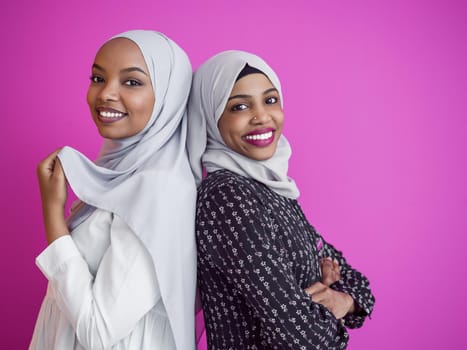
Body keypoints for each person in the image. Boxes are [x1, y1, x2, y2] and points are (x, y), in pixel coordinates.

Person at [187, 51, 375, 349]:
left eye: (270, 100)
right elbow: (302, 336)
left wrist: (345, 300)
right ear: (211, 117)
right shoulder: (227, 197)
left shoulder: (273, 188)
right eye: (239, 106)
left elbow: (357, 282)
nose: (262, 116)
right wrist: (331, 309)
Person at [30, 30, 197, 350]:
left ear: (168, 95)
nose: (105, 93)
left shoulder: (159, 188)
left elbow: (98, 331)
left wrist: (52, 212)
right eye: (97, 77)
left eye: (131, 82)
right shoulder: (120, 173)